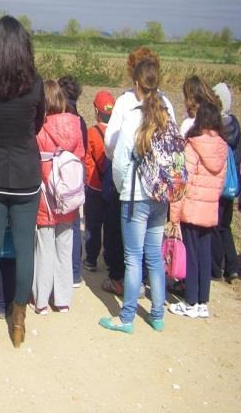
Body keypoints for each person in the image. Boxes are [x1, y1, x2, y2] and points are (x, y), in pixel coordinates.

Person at [0, 16, 44, 348]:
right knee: (24, 249)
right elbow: (38, 123)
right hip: (25, 175)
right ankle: (18, 320)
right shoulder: (36, 84)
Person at [99, 59, 171, 334]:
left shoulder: (133, 114)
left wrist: (121, 186)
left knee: (132, 257)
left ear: (137, 84)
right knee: (153, 255)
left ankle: (126, 317)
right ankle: (157, 314)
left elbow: (118, 158)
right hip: (160, 194)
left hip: (135, 194)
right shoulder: (168, 111)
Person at [168, 101, 227, 319]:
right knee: (204, 254)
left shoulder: (192, 146)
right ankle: (203, 301)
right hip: (210, 209)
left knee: (190, 255)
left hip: (191, 208)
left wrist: (174, 214)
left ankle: (190, 300)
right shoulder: (222, 147)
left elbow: (181, 182)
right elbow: (219, 184)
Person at [31, 79, 84, 315]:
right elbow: (81, 159)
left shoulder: (39, 129)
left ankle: (40, 300)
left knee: (44, 249)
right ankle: (62, 300)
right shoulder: (76, 126)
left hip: (45, 198)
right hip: (68, 198)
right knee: (65, 246)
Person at [104, 47, 175, 159]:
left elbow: (110, 142)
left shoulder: (124, 101)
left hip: (130, 171)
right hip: (160, 172)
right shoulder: (166, 102)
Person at [57, 74, 86, 286]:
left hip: (60, 176)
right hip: (77, 176)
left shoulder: (57, 119)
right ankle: (75, 272)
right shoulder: (81, 121)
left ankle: (59, 271)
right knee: (74, 224)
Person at [83, 90, 116, 273]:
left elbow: (86, 157)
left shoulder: (91, 133)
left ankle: (91, 259)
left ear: (96, 110)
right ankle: (110, 260)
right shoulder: (117, 133)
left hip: (94, 185)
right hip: (111, 186)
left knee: (93, 225)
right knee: (110, 225)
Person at [212, 82, 241, 282]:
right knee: (225, 226)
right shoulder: (236, 125)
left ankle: (215, 268)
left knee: (213, 226)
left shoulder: (215, 126)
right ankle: (232, 267)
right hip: (231, 184)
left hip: (216, 183)